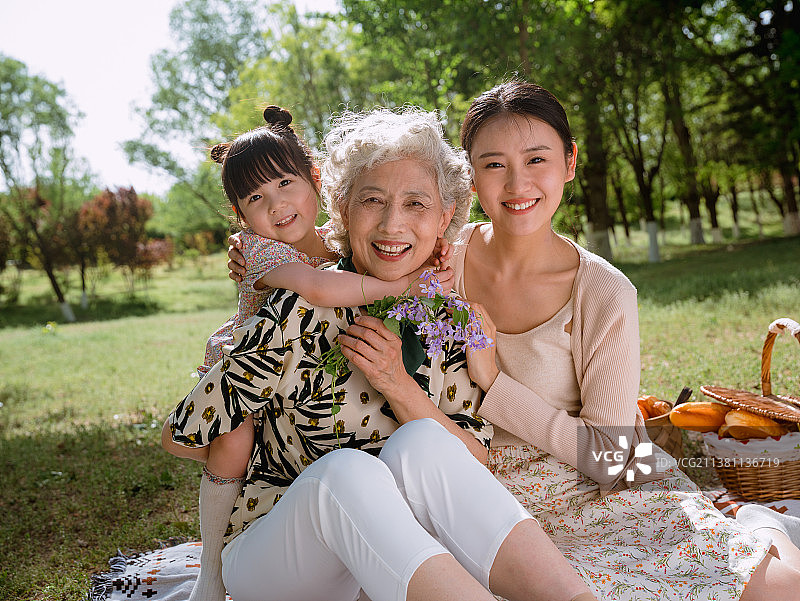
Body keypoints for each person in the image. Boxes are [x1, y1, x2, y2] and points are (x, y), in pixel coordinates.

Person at [165, 107, 597, 601]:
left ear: (444, 219)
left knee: (424, 443)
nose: (393, 224)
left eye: (416, 204)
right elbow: (182, 435)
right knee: (348, 472)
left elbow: (472, 458)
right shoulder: (298, 302)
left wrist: (396, 382)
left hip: (389, 560)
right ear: (343, 210)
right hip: (279, 560)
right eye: (373, 200)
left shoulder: (444, 320)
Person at [454, 80, 800, 600]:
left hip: (603, 484)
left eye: (536, 159)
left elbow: (616, 457)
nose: (517, 183)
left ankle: (759, 525)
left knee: (782, 590)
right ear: (470, 175)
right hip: (486, 492)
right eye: (494, 164)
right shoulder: (443, 258)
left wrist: (494, 383)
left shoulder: (604, 291)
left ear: (570, 163)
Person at [179, 105, 454, 601]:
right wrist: (406, 282)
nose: (277, 205)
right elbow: (320, 290)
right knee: (234, 446)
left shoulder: (339, 238)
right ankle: (211, 570)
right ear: (241, 217)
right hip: (249, 372)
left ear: (316, 178)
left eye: (286, 183)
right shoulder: (264, 253)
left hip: (304, 386)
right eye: (255, 198)